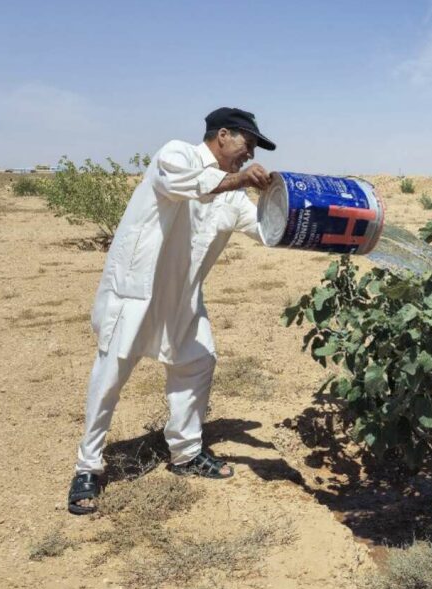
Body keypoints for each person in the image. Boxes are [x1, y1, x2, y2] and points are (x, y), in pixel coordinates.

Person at [67, 107, 277, 515]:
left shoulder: (232, 197)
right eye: (246, 145)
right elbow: (189, 184)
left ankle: (185, 452)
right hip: (137, 292)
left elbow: (269, 230)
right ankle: (87, 467)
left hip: (182, 299)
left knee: (197, 362)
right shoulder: (176, 154)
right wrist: (237, 179)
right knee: (110, 376)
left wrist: (310, 216)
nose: (248, 155)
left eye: (252, 151)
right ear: (222, 136)